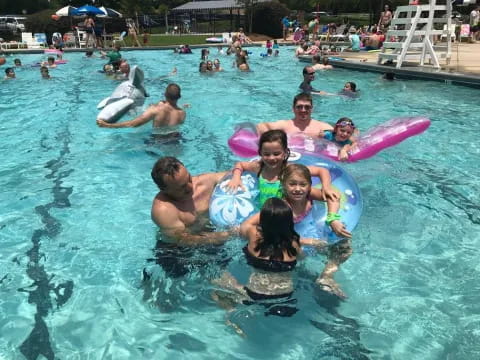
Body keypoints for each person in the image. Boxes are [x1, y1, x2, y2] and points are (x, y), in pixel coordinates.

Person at [211, 197, 328, 321]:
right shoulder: (293, 243)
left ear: (263, 220)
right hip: (285, 298)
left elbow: (245, 225)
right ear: (289, 222)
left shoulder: (254, 235)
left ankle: (230, 311)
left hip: (254, 295)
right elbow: (301, 258)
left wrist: (269, 213)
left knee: (215, 279)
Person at [225, 130, 339, 207]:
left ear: (285, 152)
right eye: (266, 154)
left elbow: (322, 170)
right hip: (263, 213)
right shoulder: (259, 167)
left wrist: (326, 187)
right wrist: (236, 178)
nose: (271, 158)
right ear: (260, 153)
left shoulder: (291, 170)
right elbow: (240, 164)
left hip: (286, 215)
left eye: (276, 153)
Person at [150, 157, 233, 244]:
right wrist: (224, 235)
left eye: (189, 178)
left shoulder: (205, 183)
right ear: (164, 189)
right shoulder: (163, 210)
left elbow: (234, 173)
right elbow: (182, 240)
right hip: (176, 251)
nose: (190, 187)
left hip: (211, 234)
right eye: (182, 187)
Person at [97, 83, 186, 137]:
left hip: (158, 141)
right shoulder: (182, 113)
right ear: (179, 97)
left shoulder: (156, 109)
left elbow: (133, 124)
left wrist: (108, 125)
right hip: (176, 140)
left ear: (165, 94)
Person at [256, 93, 334, 137]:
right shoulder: (285, 125)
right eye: (299, 107)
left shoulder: (322, 127)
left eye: (307, 107)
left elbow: (343, 135)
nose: (303, 110)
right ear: (293, 109)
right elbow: (261, 126)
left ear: (312, 109)